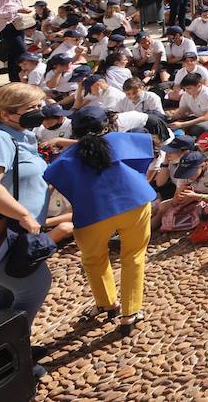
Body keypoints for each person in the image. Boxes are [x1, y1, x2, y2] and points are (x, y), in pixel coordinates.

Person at [43, 105, 156, 335]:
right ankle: (130, 313)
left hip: (92, 210)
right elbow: (145, 157)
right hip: (134, 199)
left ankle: (106, 303)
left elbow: (56, 180)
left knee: (93, 259)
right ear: (107, 123)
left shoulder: (65, 160)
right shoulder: (122, 139)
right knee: (133, 256)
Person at [0, 84, 54, 373]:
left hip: (12, 235)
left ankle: (10, 348)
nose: (38, 114)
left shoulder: (19, 136)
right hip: (5, 234)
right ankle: (6, 357)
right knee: (34, 285)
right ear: (5, 113)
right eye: (31, 109)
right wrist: (25, 215)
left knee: (6, 295)